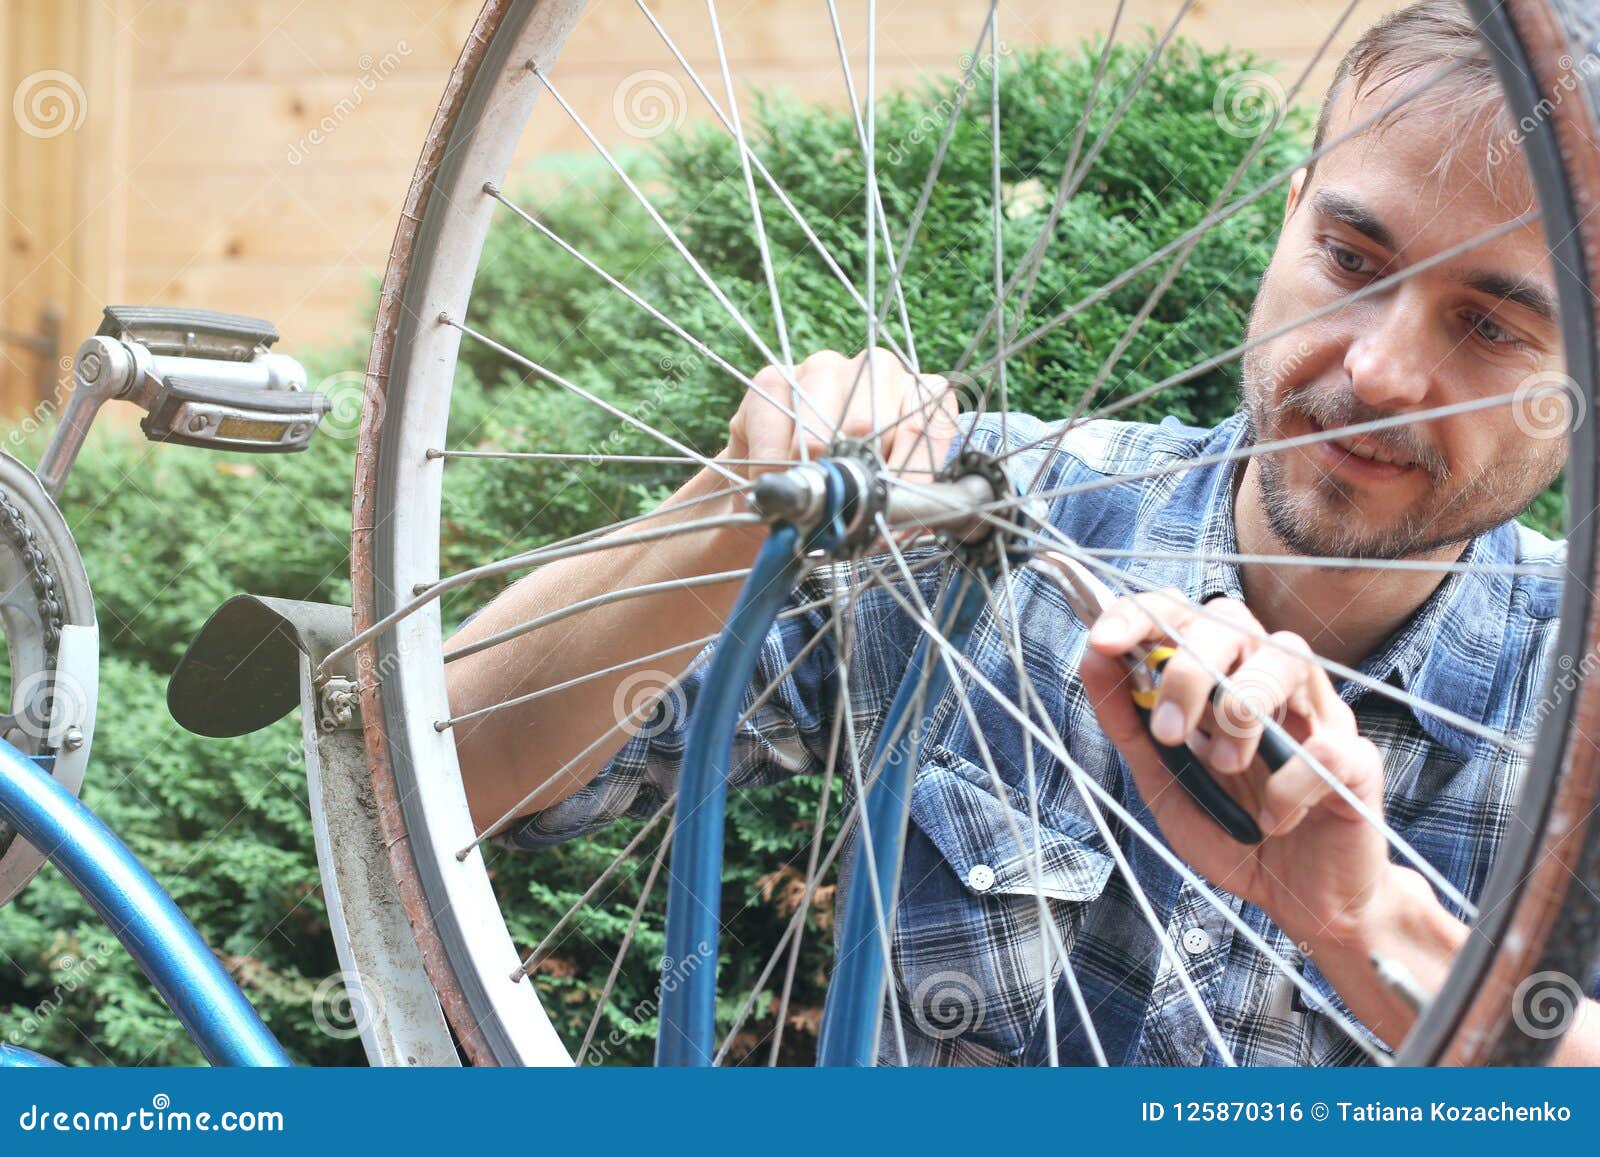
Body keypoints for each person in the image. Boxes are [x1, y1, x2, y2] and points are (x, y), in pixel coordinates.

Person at [443, 0, 1600, 1064]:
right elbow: (451, 770)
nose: (1383, 370)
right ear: (1287, 212)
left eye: (1491, 326)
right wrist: (732, 505)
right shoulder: (992, 519)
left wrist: (1364, 930)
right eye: (1351, 260)